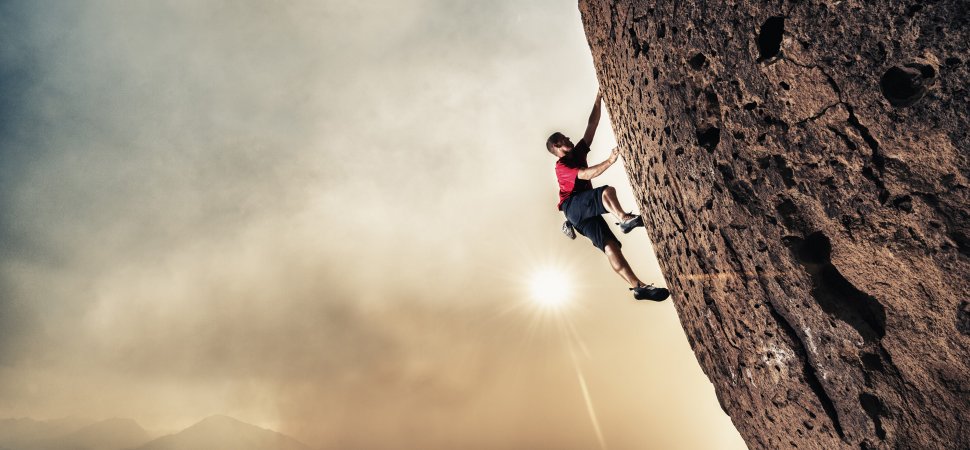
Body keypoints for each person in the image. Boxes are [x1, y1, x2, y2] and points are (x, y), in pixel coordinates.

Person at [547, 92, 670, 301]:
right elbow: (586, 174)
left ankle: (638, 287)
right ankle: (624, 219)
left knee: (610, 246)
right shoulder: (562, 166)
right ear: (558, 145)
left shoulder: (576, 153)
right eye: (564, 138)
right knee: (606, 192)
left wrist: (598, 99)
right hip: (573, 206)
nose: (569, 138)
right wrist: (610, 160)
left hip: (581, 215)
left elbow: (591, 126)